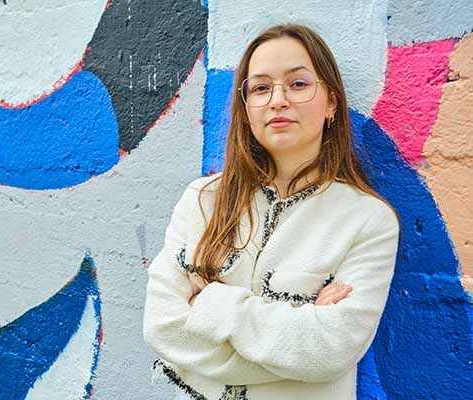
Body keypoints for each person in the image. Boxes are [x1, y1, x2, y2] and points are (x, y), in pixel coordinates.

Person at [143, 23, 400, 400]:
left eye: (298, 84)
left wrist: (212, 304)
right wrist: (295, 332)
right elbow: (162, 326)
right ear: (246, 108)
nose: (278, 99)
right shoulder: (203, 200)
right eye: (261, 88)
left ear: (331, 102)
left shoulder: (367, 220)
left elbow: (329, 350)